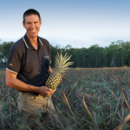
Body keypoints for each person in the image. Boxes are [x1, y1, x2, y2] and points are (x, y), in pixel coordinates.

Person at [6, 9, 61, 129]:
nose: (32, 26)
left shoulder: (45, 43)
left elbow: (48, 66)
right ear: (23, 24)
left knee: (56, 126)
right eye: (29, 23)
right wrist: (37, 89)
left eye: (35, 22)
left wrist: (54, 76)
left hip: (47, 99)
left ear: (40, 23)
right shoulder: (17, 48)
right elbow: (9, 81)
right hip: (29, 101)